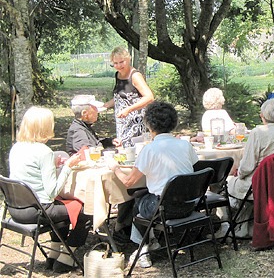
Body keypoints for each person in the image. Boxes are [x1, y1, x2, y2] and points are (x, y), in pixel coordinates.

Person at [107, 101, 198, 268]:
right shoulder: (185, 144)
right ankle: (152, 241)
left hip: (164, 210)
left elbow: (129, 182)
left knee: (137, 201)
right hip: (189, 205)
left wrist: (115, 168)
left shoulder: (150, 149)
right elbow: (193, 168)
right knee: (146, 196)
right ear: (174, 122)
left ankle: (143, 247)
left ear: (149, 125)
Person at [9, 106, 91, 273]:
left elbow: (30, 172)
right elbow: (51, 192)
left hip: (16, 209)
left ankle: (53, 254)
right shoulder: (44, 152)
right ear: (44, 127)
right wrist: (68, 167)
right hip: (38, 211)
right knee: (87, 210)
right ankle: (66, 259)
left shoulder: (17, 147)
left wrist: (53, 165)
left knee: (64, 206)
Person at [227, 98, 274, 237]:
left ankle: (227, 225)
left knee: (223, 184)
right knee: (238, 182)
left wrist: (238, 174)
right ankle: (243, 225)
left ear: (263, 115)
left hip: (259, 183)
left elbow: (246, 167)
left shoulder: (258, 132)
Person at [103, 46, 154, 148]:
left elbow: (149, 97)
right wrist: (105, 105)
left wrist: (129, 109)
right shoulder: (118, 75)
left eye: (121, 62)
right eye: (115, 63)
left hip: (135, 122)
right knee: (122, 149)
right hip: (122, 122)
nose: (118, 66)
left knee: (133, 150)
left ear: (128, 59)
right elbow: (120, 98)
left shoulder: (135, 76)